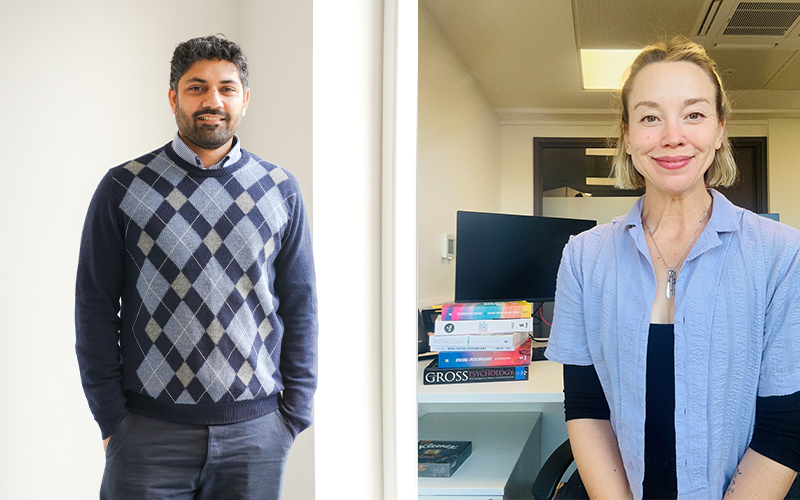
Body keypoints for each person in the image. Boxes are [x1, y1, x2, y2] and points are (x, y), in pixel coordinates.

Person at [545, 37, 800, 500]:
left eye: (694, 114)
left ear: (720, 129)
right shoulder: (583, 257)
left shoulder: (783, 254)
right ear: (627, 135)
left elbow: (786, 427)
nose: (672, 136)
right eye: (649, 117)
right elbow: (586, 406)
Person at [75, 35, 318, 500]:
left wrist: (294, 414)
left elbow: (301, 304)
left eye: (227, 88)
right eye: (196, 88)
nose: (213, 101)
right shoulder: (123, 187)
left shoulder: (280, 189)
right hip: (148, 432)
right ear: (173, 98)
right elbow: (94, 308)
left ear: (245, 99)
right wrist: (112, 420)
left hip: (257, 433)